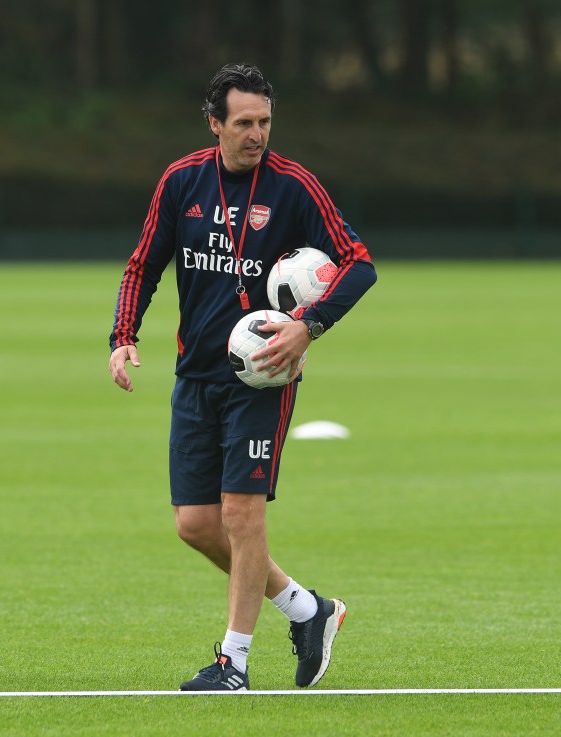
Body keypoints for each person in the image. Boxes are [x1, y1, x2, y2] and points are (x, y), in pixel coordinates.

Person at [108, 63, 376, 691]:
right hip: (196, 373)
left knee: (241, 515)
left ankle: (234, 663)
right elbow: (143, 265)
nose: (257, 134)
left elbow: (358, 264)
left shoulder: (294, 187)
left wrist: (308, 325)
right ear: (215, 124)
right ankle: (309, 611)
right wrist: (123, 336)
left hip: (264, 379)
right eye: (244, 123)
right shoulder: (182, 181)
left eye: (265, 122)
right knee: (195, 525)